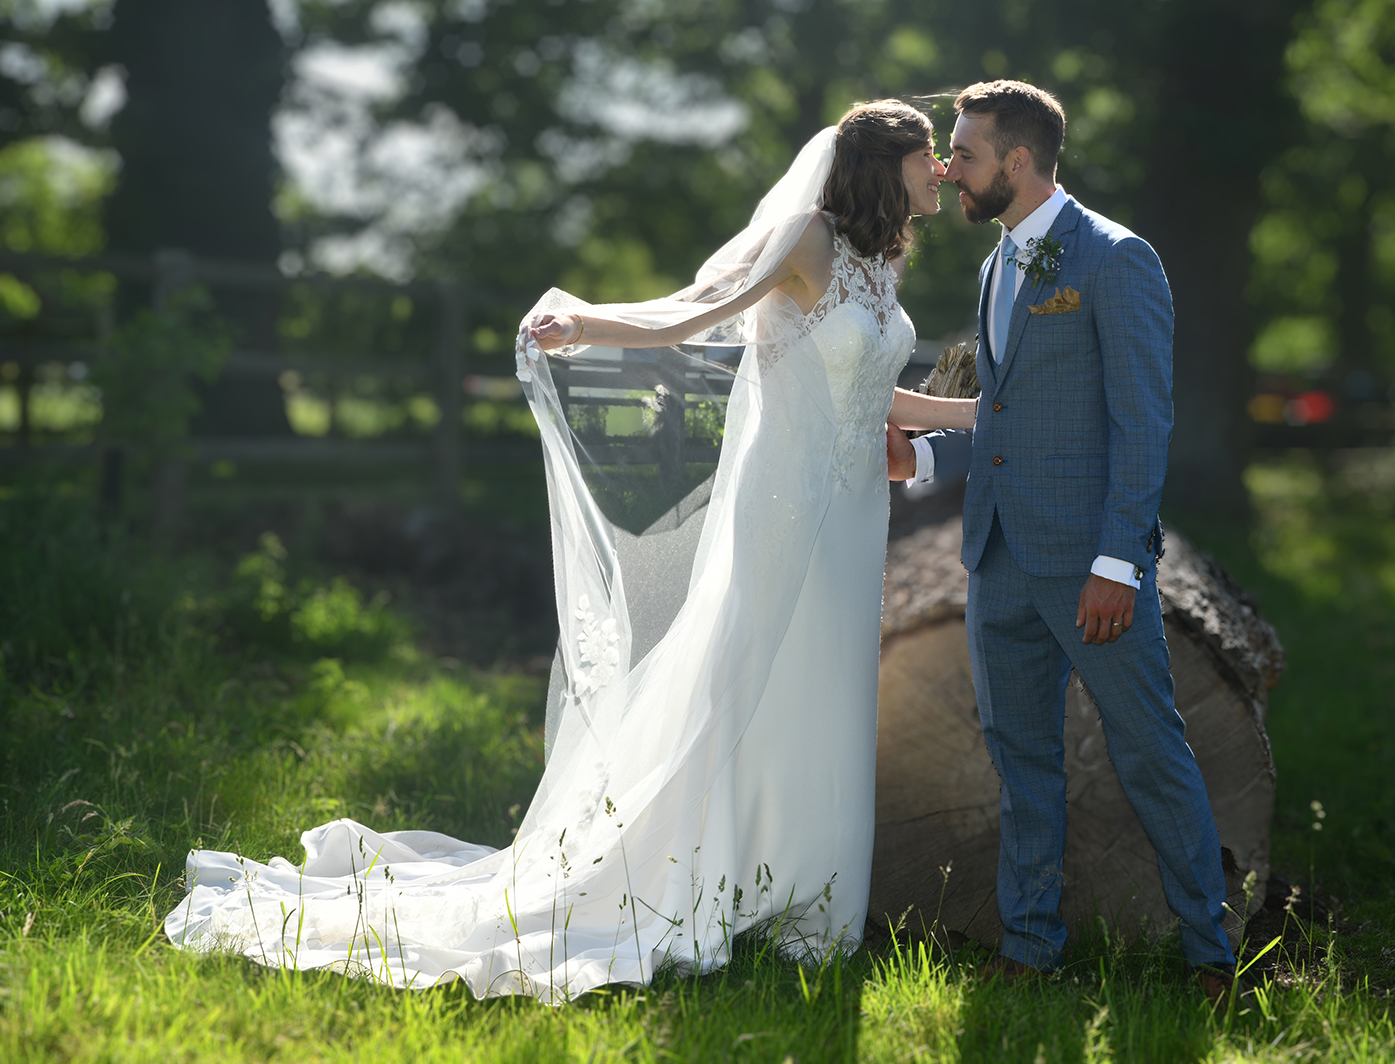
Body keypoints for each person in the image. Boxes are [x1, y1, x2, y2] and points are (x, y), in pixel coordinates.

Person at [164, 100, 975, 999]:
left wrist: (985, 412)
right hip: (786, 509)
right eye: (927, 154)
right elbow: (693, 314)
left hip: (856, 518)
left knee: (825, 689)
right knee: (752, 680)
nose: (939, 168)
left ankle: (804, 901)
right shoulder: (810, 239)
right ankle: (709, 883)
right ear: (882, 161)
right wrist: (587, 321)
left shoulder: (878, 262)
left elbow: (880, 398)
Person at [888, 80, 1235, 998]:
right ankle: (1031, 940)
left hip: (1091, 568)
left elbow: (1142, 422)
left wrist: (1118, 563)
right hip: (996, 555)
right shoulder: (998, 263)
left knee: (1150, 751)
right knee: (1021, 757)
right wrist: (921, 466)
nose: (946, 168)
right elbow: (1005, 414)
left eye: (962, 154)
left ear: (1017, 160)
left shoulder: (1118, 259)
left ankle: (1212, 951)